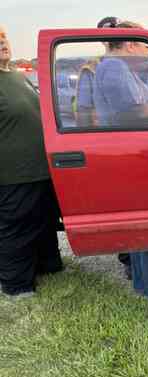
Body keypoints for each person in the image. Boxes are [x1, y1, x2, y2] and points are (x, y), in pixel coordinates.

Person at [77, 16, 148, 278]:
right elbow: (132, 112)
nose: (147, 50)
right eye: (144, 44)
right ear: (129, 44)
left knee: (141, 217)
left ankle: (146, 274)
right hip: (125, 151)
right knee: (143, 218)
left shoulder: (120, 64)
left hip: (128, 148)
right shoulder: (110, 68)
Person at [0, 25, 63, 299]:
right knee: (16, 229)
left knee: (44, 221)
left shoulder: (15, 75)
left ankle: (47, 266)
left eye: (3, 36)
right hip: (13, 173)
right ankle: (16, 285)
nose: (2, 42)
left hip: (40, 168)